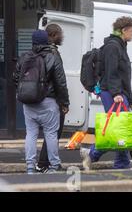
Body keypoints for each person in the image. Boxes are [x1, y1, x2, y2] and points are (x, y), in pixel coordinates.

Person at [81, 17, 132, 170]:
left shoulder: (120, 45)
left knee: (119, 128)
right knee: (118, 128)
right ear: (124, 30)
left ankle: (97, 156)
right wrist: (116, 93)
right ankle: (113, 161)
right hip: (114, 93)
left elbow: (122, 75)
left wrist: (129, 97)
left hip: (118, 92)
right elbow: (112, 72)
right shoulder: (113, 47)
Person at [14, 30, 69, 174]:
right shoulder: (52, 57)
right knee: (50, 134)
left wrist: (25, 93)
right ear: (46, 41)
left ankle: (30, 167)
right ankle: (54, 165)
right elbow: (60, 83)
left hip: (29, 103)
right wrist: (64, 103)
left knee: (31, 134)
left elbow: (16, 79)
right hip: (48, 102)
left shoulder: (25, 57)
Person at [36, 24, 69, 173]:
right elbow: (60, 81)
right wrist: (64, 102)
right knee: (54, 131)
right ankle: (47, 163)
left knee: (37, 133)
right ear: (54, 34)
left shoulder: (37, 52)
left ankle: (41, 163)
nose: (62, 36)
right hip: (52, 98)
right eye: (60, 34)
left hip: (38, 98)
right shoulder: (53, 53)